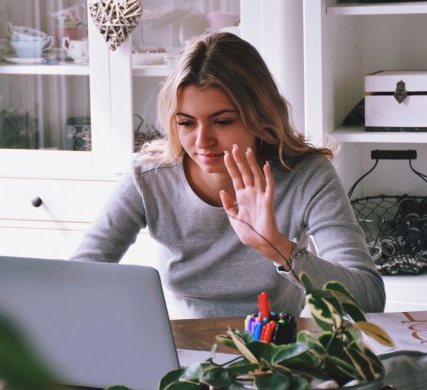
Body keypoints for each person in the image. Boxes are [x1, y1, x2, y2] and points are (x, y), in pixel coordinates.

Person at [70, 32, 385, 318]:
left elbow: (370, 297)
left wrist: (279, 248)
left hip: (277, 352)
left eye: (222, 121)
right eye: (186, 123)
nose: (202, 140)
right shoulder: (148, 176)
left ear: (259, 116)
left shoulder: (305, 175)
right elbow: (79, 275)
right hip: (181, 352)